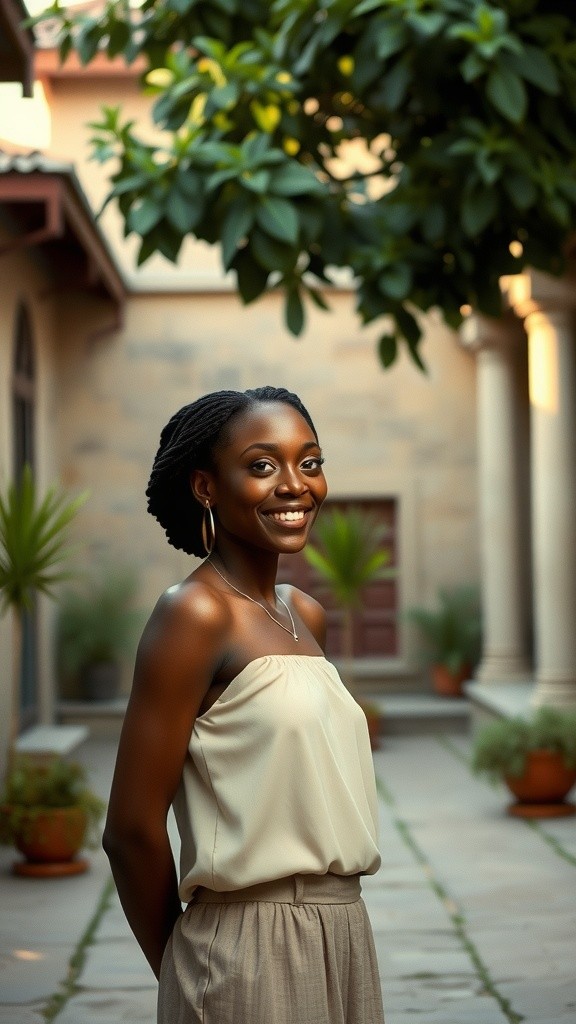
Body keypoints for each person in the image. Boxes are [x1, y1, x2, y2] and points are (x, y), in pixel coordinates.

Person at [103, 386, 385, 1024]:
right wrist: (185, 966)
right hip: (247, 950)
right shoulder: (194, 614)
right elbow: (130, 830)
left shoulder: (303, 613)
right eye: (262, 465)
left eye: (309, 462)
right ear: (206, 487)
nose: (295, 485)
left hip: (344, 933)